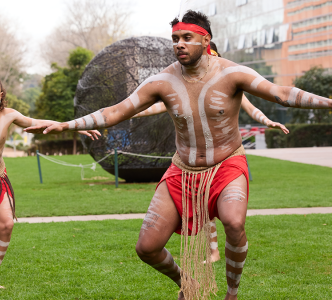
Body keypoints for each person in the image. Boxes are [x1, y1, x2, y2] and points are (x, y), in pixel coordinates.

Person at [25, 10, 332, 300]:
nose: (179, 44)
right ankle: (187, 281)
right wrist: (64, 125)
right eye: (175, 39)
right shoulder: (162, 81)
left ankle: (232, 293)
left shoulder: (233, 73)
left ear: (205, 40)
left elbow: (281, 93)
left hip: (227, 164)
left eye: (187, 38)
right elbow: (116, 111)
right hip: (182, 171)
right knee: (147, 247)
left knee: (234, 223)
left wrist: (329, 103)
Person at [131, 42, 289, 265]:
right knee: (206, 216)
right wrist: (131, 112)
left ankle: (220, 265)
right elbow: (157, 106)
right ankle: (212, 253)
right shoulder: (182, 88)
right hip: (191, 165)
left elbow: (253, 108)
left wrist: (269, 121)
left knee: (226, 217)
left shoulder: (230, 84)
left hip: (225, 163)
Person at [0, 74, 100, 291]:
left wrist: (73, 127)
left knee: (7, 224)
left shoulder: (9, 116)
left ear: (1, 96)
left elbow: (40, 123)